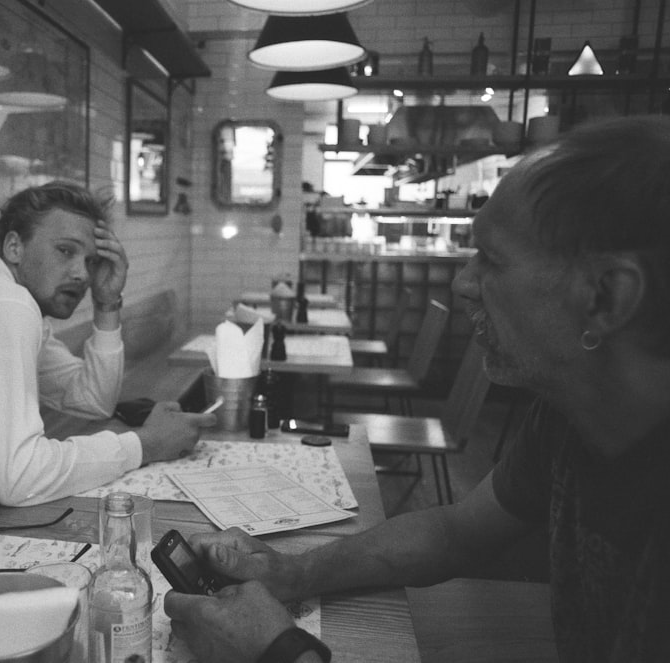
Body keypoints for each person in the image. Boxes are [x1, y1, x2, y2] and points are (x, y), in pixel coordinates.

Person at [164, 115, 670, 663]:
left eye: (491, 259)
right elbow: (456, 533)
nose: (463, 283)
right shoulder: (570, 415)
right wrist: (288, 571)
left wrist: (275, 651)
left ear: (607, 297)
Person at [0, 181, 216, 506]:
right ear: (14, 247)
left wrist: (107, 303)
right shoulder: (0, 304)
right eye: (65, 251)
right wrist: (146, 444)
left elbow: (92, 400)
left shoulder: (11, 301)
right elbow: (16, 480)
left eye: (90, 261)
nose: (82, 275)